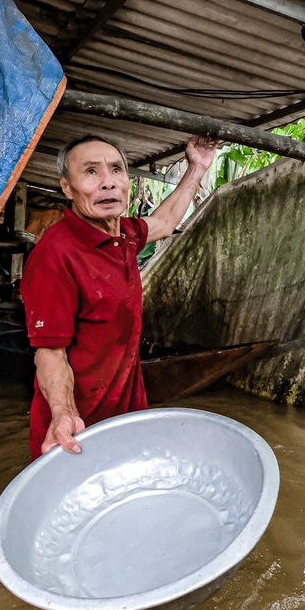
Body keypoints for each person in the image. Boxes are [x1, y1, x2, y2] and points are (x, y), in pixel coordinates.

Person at [21, 133, 218, 460]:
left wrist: (196, 168)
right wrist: (63, 412)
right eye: (91, 172)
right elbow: (50, 352)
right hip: (77, 429)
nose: (108, 183)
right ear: (67, 188)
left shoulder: (125, 235)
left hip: (126, 414)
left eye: (116, 170)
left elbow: (166, 222)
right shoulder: (55, 255)